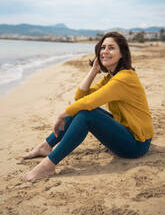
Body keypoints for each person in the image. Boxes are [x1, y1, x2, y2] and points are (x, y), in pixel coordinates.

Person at [21, 32, 154, 182]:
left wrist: (61, 115)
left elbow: (89, 102)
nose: (105, 51)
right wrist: (93, 70)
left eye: (111, 48)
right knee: (81, 109)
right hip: (127, 132)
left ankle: (48, 164)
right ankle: (46, 145)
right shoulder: (112, 77)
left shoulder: (124, 78)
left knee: (85, 114)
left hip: (136, 144)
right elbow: (81, 97)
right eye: (103, 47)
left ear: (122, 53)